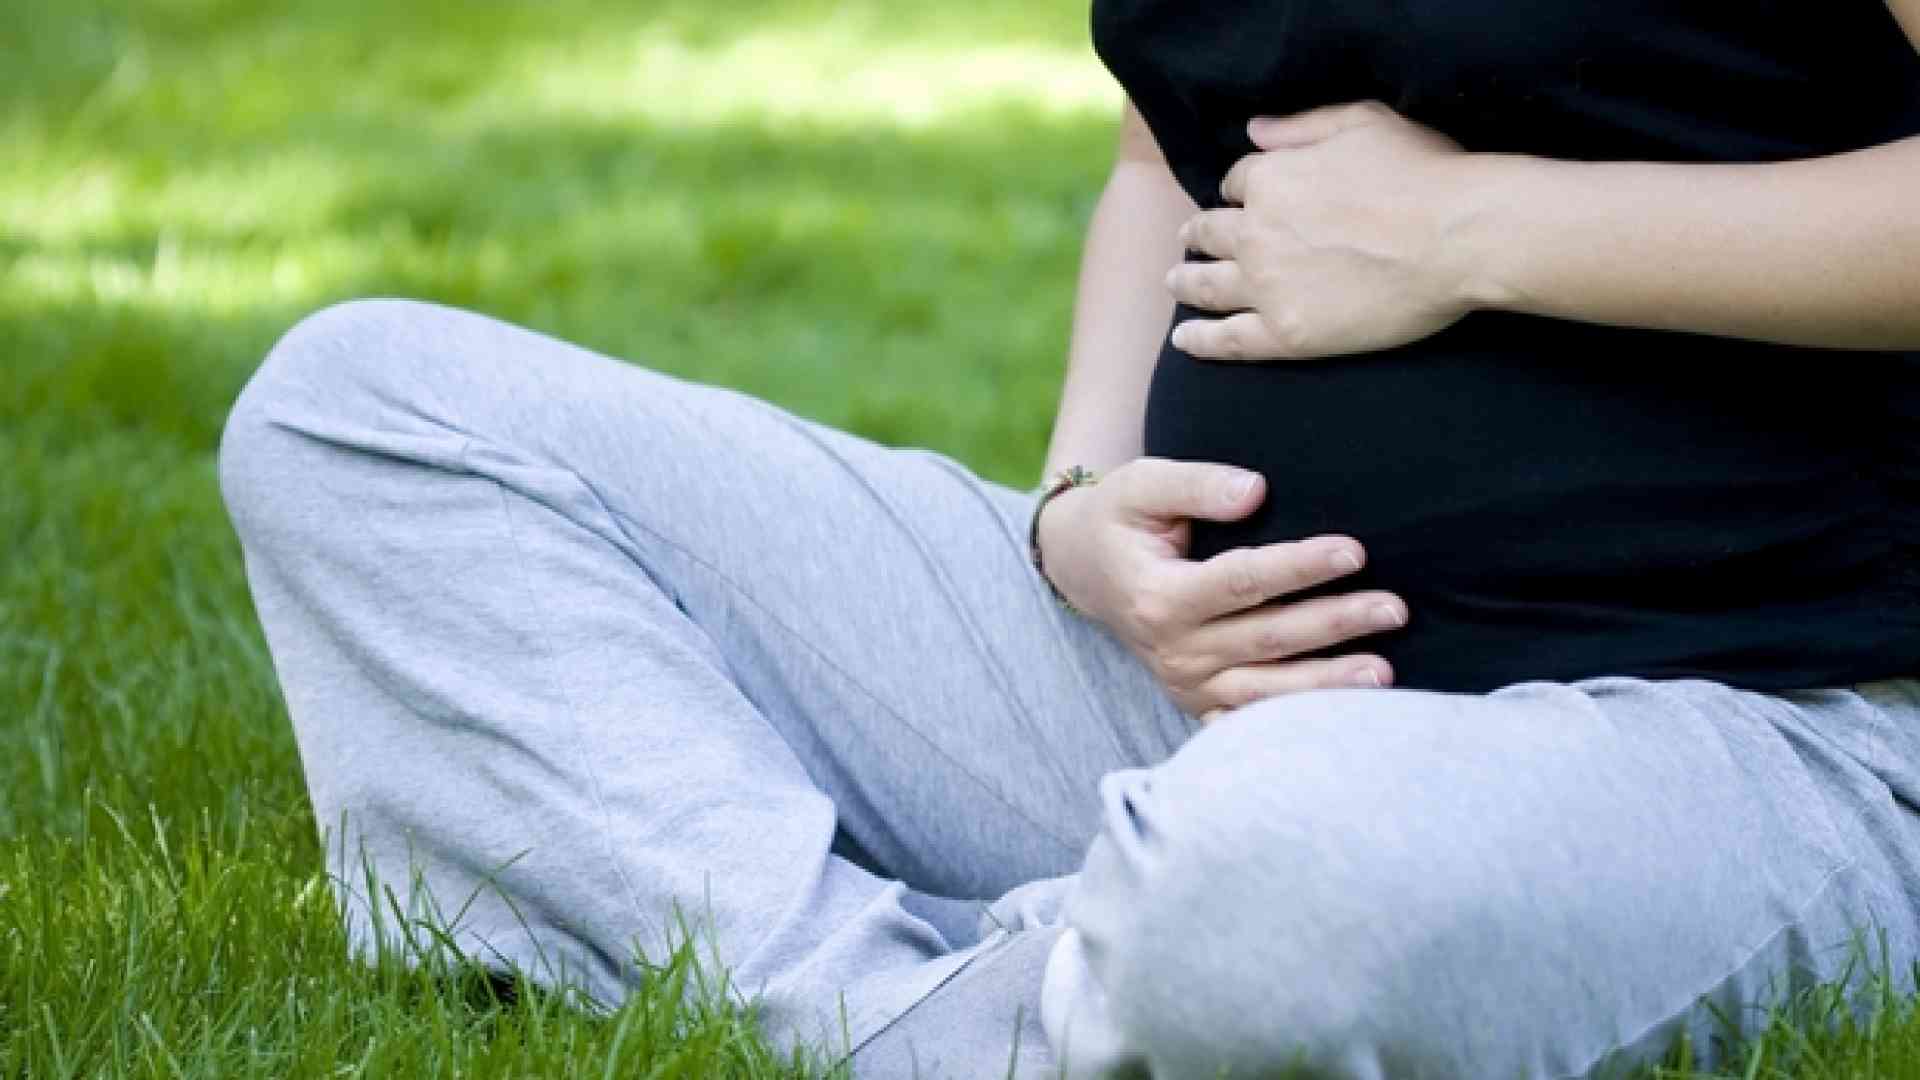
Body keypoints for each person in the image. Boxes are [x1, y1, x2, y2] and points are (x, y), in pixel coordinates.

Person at [218, 0, 1920, 1075]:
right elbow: (1167, 156)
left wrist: (1473, 231)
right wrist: (1076, 508)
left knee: (1272, 883)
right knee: (360, 409)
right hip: (1177, 692)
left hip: (1761, 715)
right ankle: (903, 1014)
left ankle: (1078, 938)